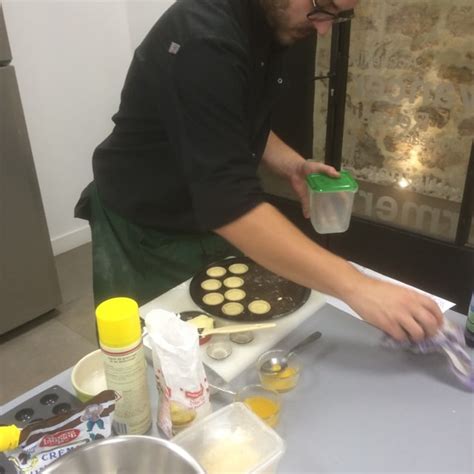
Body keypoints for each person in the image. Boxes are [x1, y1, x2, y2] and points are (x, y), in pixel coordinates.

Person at [75, 0, 443, 342]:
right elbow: (228, 204)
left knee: (215, 337)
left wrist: (291, 164)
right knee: (158, 347)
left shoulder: (266, 24)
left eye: (338, 16)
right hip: (144, 218)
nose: (323, 29)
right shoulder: (205, 42)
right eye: (322, 8)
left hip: (200, 207)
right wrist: (357, 286)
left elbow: (231, 121)